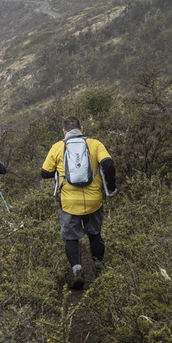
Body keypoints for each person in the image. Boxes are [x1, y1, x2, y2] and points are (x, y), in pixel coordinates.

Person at [41, 115, 118, 289]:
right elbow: (108, 164)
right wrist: (111, 187)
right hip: (94, 200)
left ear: (64, 131)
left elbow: (44, 173)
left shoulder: (58, 147)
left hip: (69, 202)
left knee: (71, 238)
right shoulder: (95, 144)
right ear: (82, 129)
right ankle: (98, 269)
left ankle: (77, 271)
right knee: (95, 234)